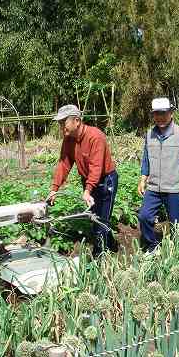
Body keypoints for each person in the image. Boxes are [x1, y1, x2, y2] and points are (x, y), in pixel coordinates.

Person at [47, 104, 118, 257]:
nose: (61, 126)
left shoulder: (95, 137)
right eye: (60, 123)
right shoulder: (68, 139)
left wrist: (87, 190)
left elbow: (96, 167)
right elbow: (64, 164)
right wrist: (54, 188)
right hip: (88, 181)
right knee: (95, 219)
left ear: (77, 121)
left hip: (106, 180)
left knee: (100, 222)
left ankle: (100, 260)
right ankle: (113, 246)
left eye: (63, 122)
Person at [137, 97, 179, 253]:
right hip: (154, 187)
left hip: (174, 187)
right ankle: (152, 246)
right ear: (153, 115)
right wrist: (142, 181)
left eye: (163, 113)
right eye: (157, 114)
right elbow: (146, 160)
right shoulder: (149, 135)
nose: (160, 117)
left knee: (176, 222)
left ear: (171, 113)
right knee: (144, 216)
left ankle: (177, 250)